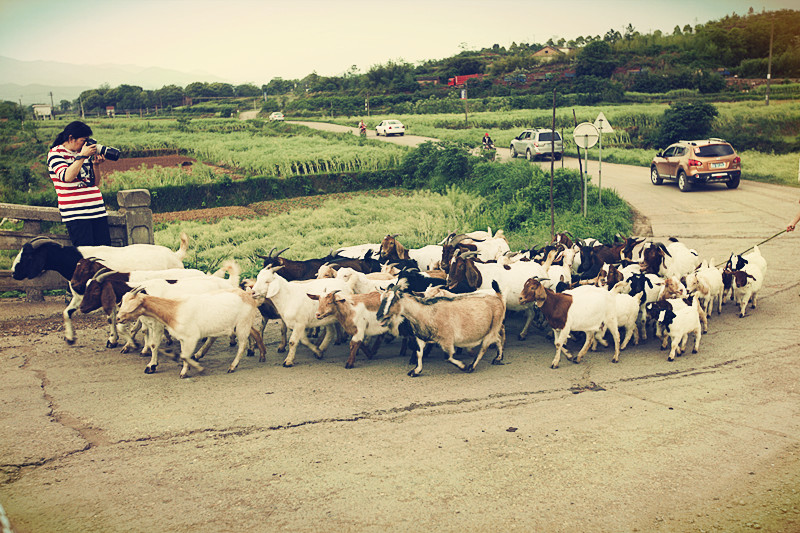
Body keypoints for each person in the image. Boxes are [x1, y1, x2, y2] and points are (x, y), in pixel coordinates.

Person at [48, 120, 112, 246]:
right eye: (83, 140)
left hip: (97, 210)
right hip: (77, 214)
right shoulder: (56, 154)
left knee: (105, 255)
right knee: (87, 256)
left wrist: (96, 166)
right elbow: (67, 177)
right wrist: (82, 156)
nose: (86, 144)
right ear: (71, 138)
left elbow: (94, 184)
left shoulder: (83, 154)